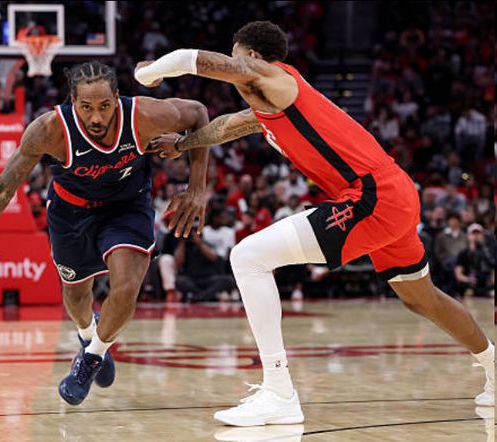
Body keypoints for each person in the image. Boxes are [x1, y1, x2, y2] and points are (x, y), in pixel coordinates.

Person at [135, 20, 494, 426]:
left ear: (252, 56)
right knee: (421, 298)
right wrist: (183, 144)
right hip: (392, 196)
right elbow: (226, 126)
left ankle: (278, 392)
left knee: (248, 257)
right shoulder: (273, 104)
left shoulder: (276, 77)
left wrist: (152, 72)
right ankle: (495, 369)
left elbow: (201, 61)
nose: (235, 71)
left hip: (372, 196)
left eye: (237, 58)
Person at [0, 61, 210, 406]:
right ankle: (88, 333)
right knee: (77, 300)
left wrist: (197, 189)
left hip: (126, 207)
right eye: (86, 107)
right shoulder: (49, 129)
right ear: (72, 101)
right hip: (71, 213)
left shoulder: (143, 116)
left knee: (126, 287)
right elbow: (1, 190)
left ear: (117, 98)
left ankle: (92, 357)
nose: (96, 117)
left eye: (105, 106)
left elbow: (198, 113)